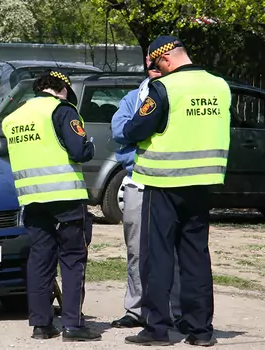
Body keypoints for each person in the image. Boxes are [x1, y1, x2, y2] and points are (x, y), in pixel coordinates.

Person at [121, 36, 231, 347]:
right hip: (202, 182)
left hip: (164, 181)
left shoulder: (164, 88)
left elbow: (138, 128)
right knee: (195, 256)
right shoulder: (219, 85)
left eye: (157, 66)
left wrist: (130, 131)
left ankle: (156, 329)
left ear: (166, 59)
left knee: (158, 257)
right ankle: (201, 331)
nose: (157, 71)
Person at [1, 70, 100, 342]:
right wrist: (89, 147)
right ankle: (72, 325)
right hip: (65, 197)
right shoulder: (62, 111)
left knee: (40, 260)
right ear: (62, 89)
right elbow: (79, 151)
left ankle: (41, 325)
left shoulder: (14, 118)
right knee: (72, 259)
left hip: (31, 199)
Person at [110, 58, 182, 329]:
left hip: (170, 182)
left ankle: (174, 310)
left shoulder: (177, 96)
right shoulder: (132, 98)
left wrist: (141, 134)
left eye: (158, 59)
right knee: (137, 249)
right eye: (148, 60)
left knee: (173, 249)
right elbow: (119, 131)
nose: (153, 64)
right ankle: (136, 309)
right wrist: (144, 147)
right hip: (138, 182)